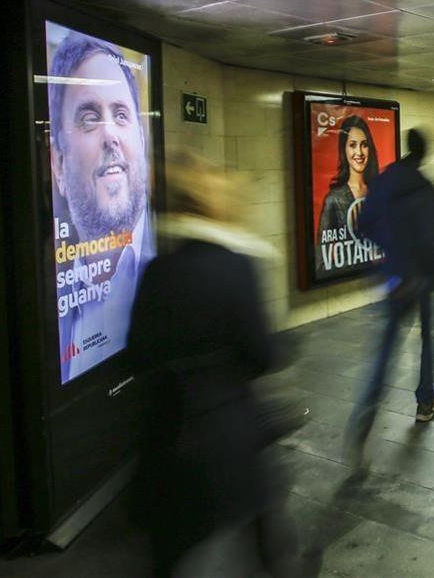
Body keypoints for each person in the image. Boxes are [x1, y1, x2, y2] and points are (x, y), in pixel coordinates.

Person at [129, 151, 297, 577]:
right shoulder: (236, 266)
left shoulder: (156, 272)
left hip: (167, 434)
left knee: (169, 551)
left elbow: (138, 353)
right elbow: (259, 355)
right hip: (228, 432)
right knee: (263, 536)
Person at [48, 30, 155, 383]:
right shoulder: (51, 286)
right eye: (89, 118)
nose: (110, 135)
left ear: (140, 139)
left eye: (122, 114)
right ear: (59, 165)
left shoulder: (170, 266)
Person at [346, 128, 434, 466]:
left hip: (393, 277)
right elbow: (433, 239)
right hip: (422, 278)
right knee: (428, 339)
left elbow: (363, 225)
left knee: (385, 351)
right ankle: (425, 402)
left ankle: (366, 415)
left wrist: (389, 251)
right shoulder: (428, 189)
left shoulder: (385, 182)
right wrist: (430, 277)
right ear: (424, 154)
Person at [316, 115, 380, 273]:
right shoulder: (334, 198)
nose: (359, 152)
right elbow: (320, 258)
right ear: (343, 150)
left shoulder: (378, 190)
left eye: (364, 145)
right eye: (352, 145)